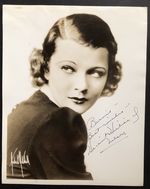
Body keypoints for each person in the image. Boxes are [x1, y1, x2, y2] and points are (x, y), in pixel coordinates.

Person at [7, 13, 122, 180]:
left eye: (96, 73)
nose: (82, 86)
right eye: (68, 68)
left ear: (109, 75)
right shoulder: (56, 123)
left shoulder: (25, 111)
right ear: (45, 67)